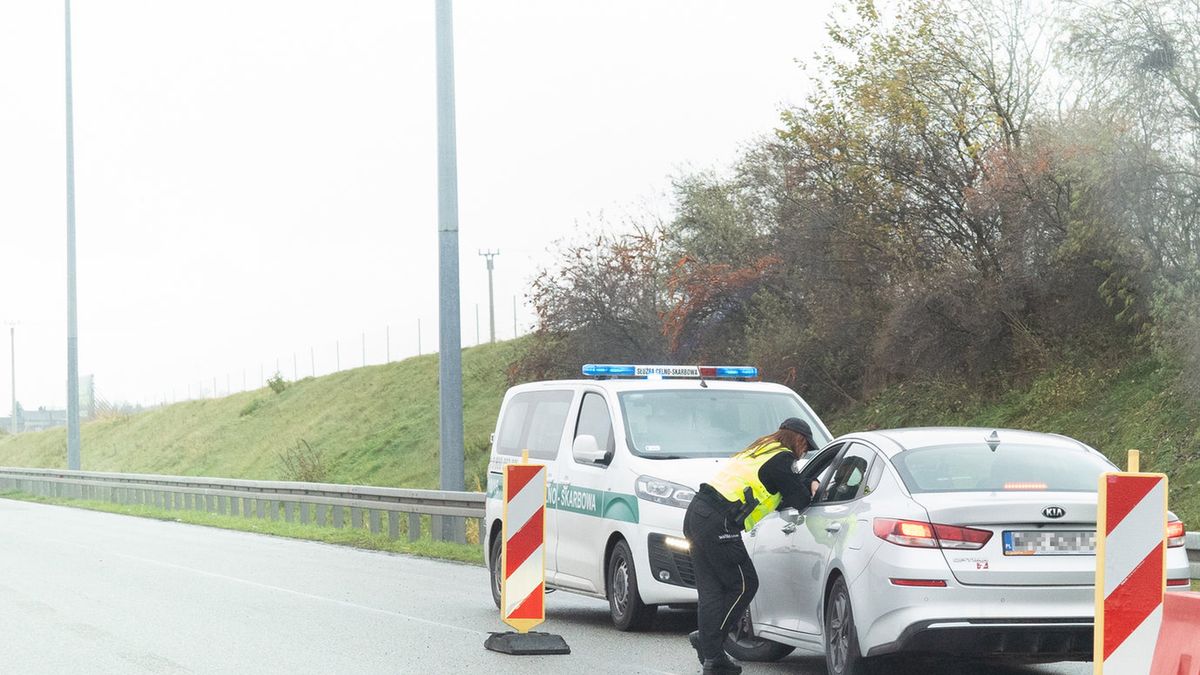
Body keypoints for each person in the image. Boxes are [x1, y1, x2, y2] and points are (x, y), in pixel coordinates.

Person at [683, 417, 821, 674]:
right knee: (744, 584)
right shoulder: (782, 459)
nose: (804, 452)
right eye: (805, 446)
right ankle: (708, 642)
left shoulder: (759, 450)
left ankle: (713, 659)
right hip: (718, 522)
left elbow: (775, 494)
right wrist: (813, 482)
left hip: (697, 514)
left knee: (713, 590)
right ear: (798, 439)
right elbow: (800, 499)